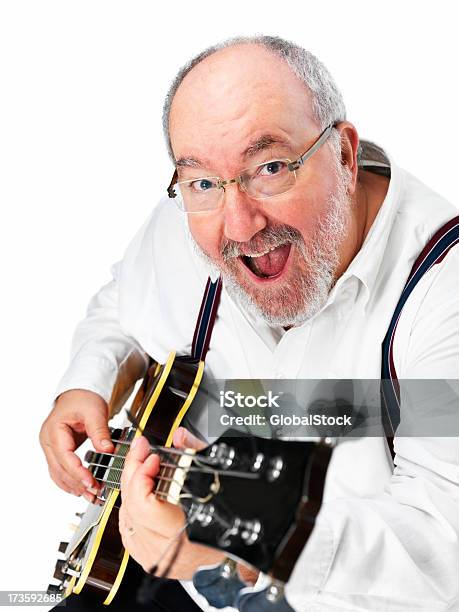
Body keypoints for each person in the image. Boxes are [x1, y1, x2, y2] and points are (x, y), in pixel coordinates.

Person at [39, 35, 459, 611]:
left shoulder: (445, 291)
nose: (239, 224)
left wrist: (233, 542)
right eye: (203, 181)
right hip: (169, 571)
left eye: (270, 167)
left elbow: (442, 554)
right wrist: (86, 380)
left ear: (343, 153)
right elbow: (122, 303)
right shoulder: (191, 213)